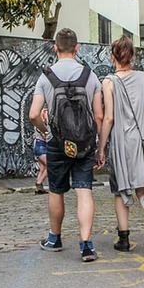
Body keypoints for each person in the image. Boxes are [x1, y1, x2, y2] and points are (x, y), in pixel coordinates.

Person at [29, 28, 104, 262]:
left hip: (57, 143)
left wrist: (47, 132)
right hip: (85, 143)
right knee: (84, 191)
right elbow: (99, 115)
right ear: (77, 48)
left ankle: (55, 238)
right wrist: (100, 146)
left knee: (56, 190)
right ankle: (86, 245)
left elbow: (33, 114)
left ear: (55, 47)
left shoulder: (45, 76)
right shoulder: (90, 75)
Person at [97, 36, 144, 255]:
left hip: (122, 141)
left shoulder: (108, 82)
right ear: (133, 56)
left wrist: (101, 147)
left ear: (113, 57)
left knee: (121, 190)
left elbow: (109, 118)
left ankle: (124, 239)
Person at [33, 110, 49, 194]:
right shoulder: (42, 124)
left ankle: (39, 189)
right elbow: (46, 136)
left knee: (43, 169)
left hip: (39, 145)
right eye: (46, 113)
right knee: (50, 166)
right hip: (41, 146)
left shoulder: (40, 124)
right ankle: (38, 183)